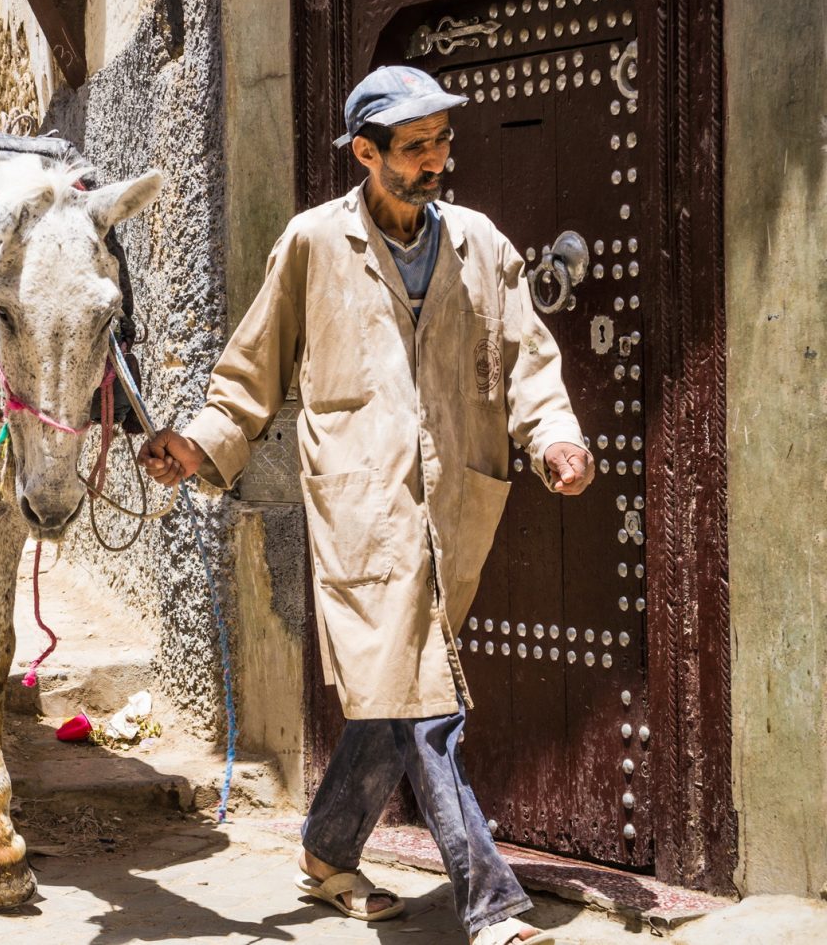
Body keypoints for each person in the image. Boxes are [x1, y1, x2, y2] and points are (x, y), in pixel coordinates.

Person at [139, 65, 593, 945]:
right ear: (366, 153)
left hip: (456, 500)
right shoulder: (312, 243)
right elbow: (250, 375)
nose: (437, 162)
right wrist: (200, 444)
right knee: (427, 702)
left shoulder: (480, 244)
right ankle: (493, 904)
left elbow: (529, 359)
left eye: (441, 142)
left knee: (394, 690)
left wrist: (554, 437)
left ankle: (325, 848)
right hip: (360, 509)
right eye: (416, 148)